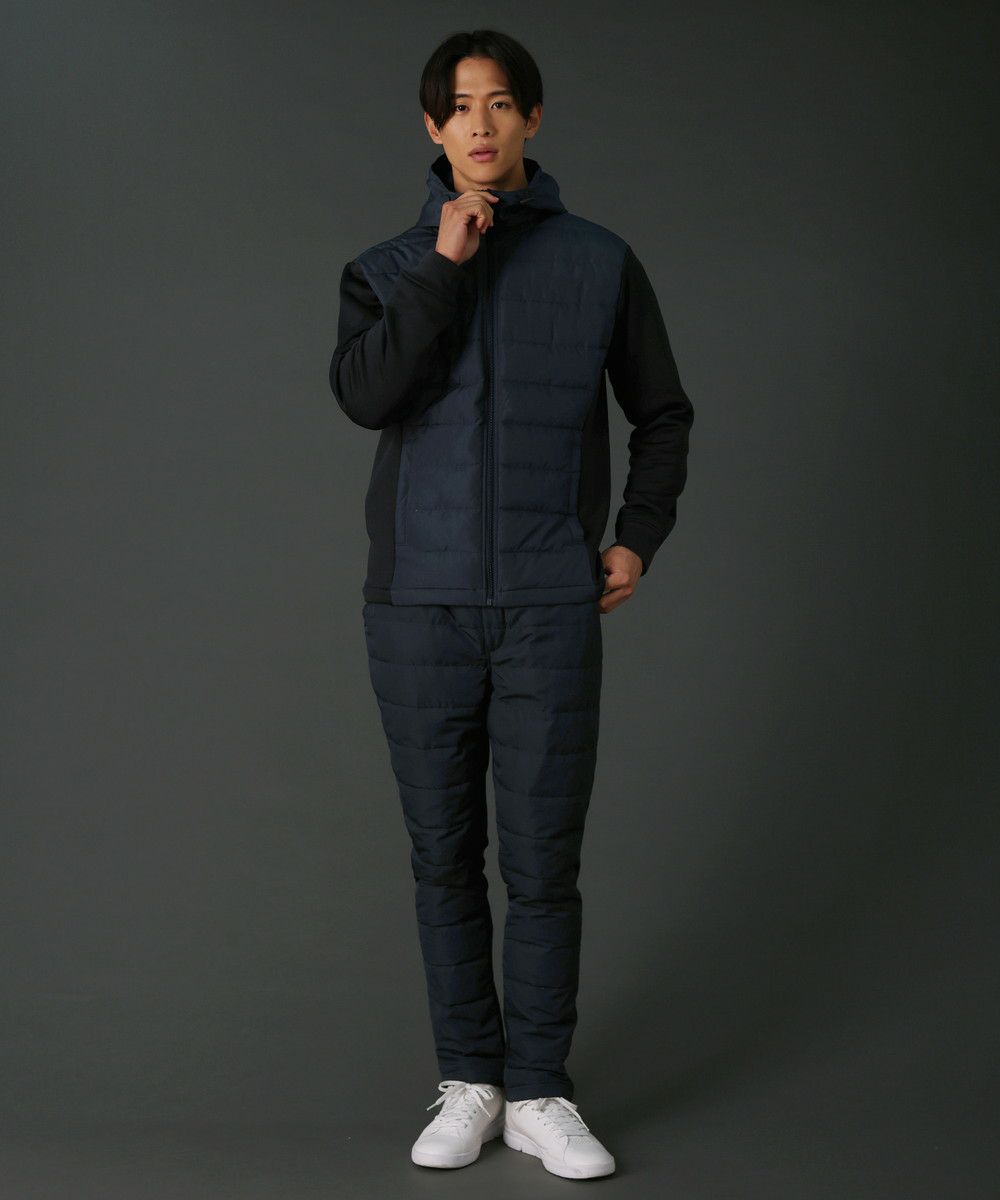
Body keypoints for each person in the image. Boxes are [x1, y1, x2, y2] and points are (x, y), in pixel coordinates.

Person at [329, 28, 694, 1182]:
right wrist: (442, 265)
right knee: (443, 856)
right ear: (431, 129)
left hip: (546, 604)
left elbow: (661, 412)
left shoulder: (598, 261)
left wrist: (635, 535)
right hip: (416, 604)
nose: (478, 124)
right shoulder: (386, 268)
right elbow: (364, 395)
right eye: (457, 107)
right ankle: (469, 1080)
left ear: (532, 117)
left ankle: (538, 1090)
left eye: (499, 103)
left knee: (542, 863)